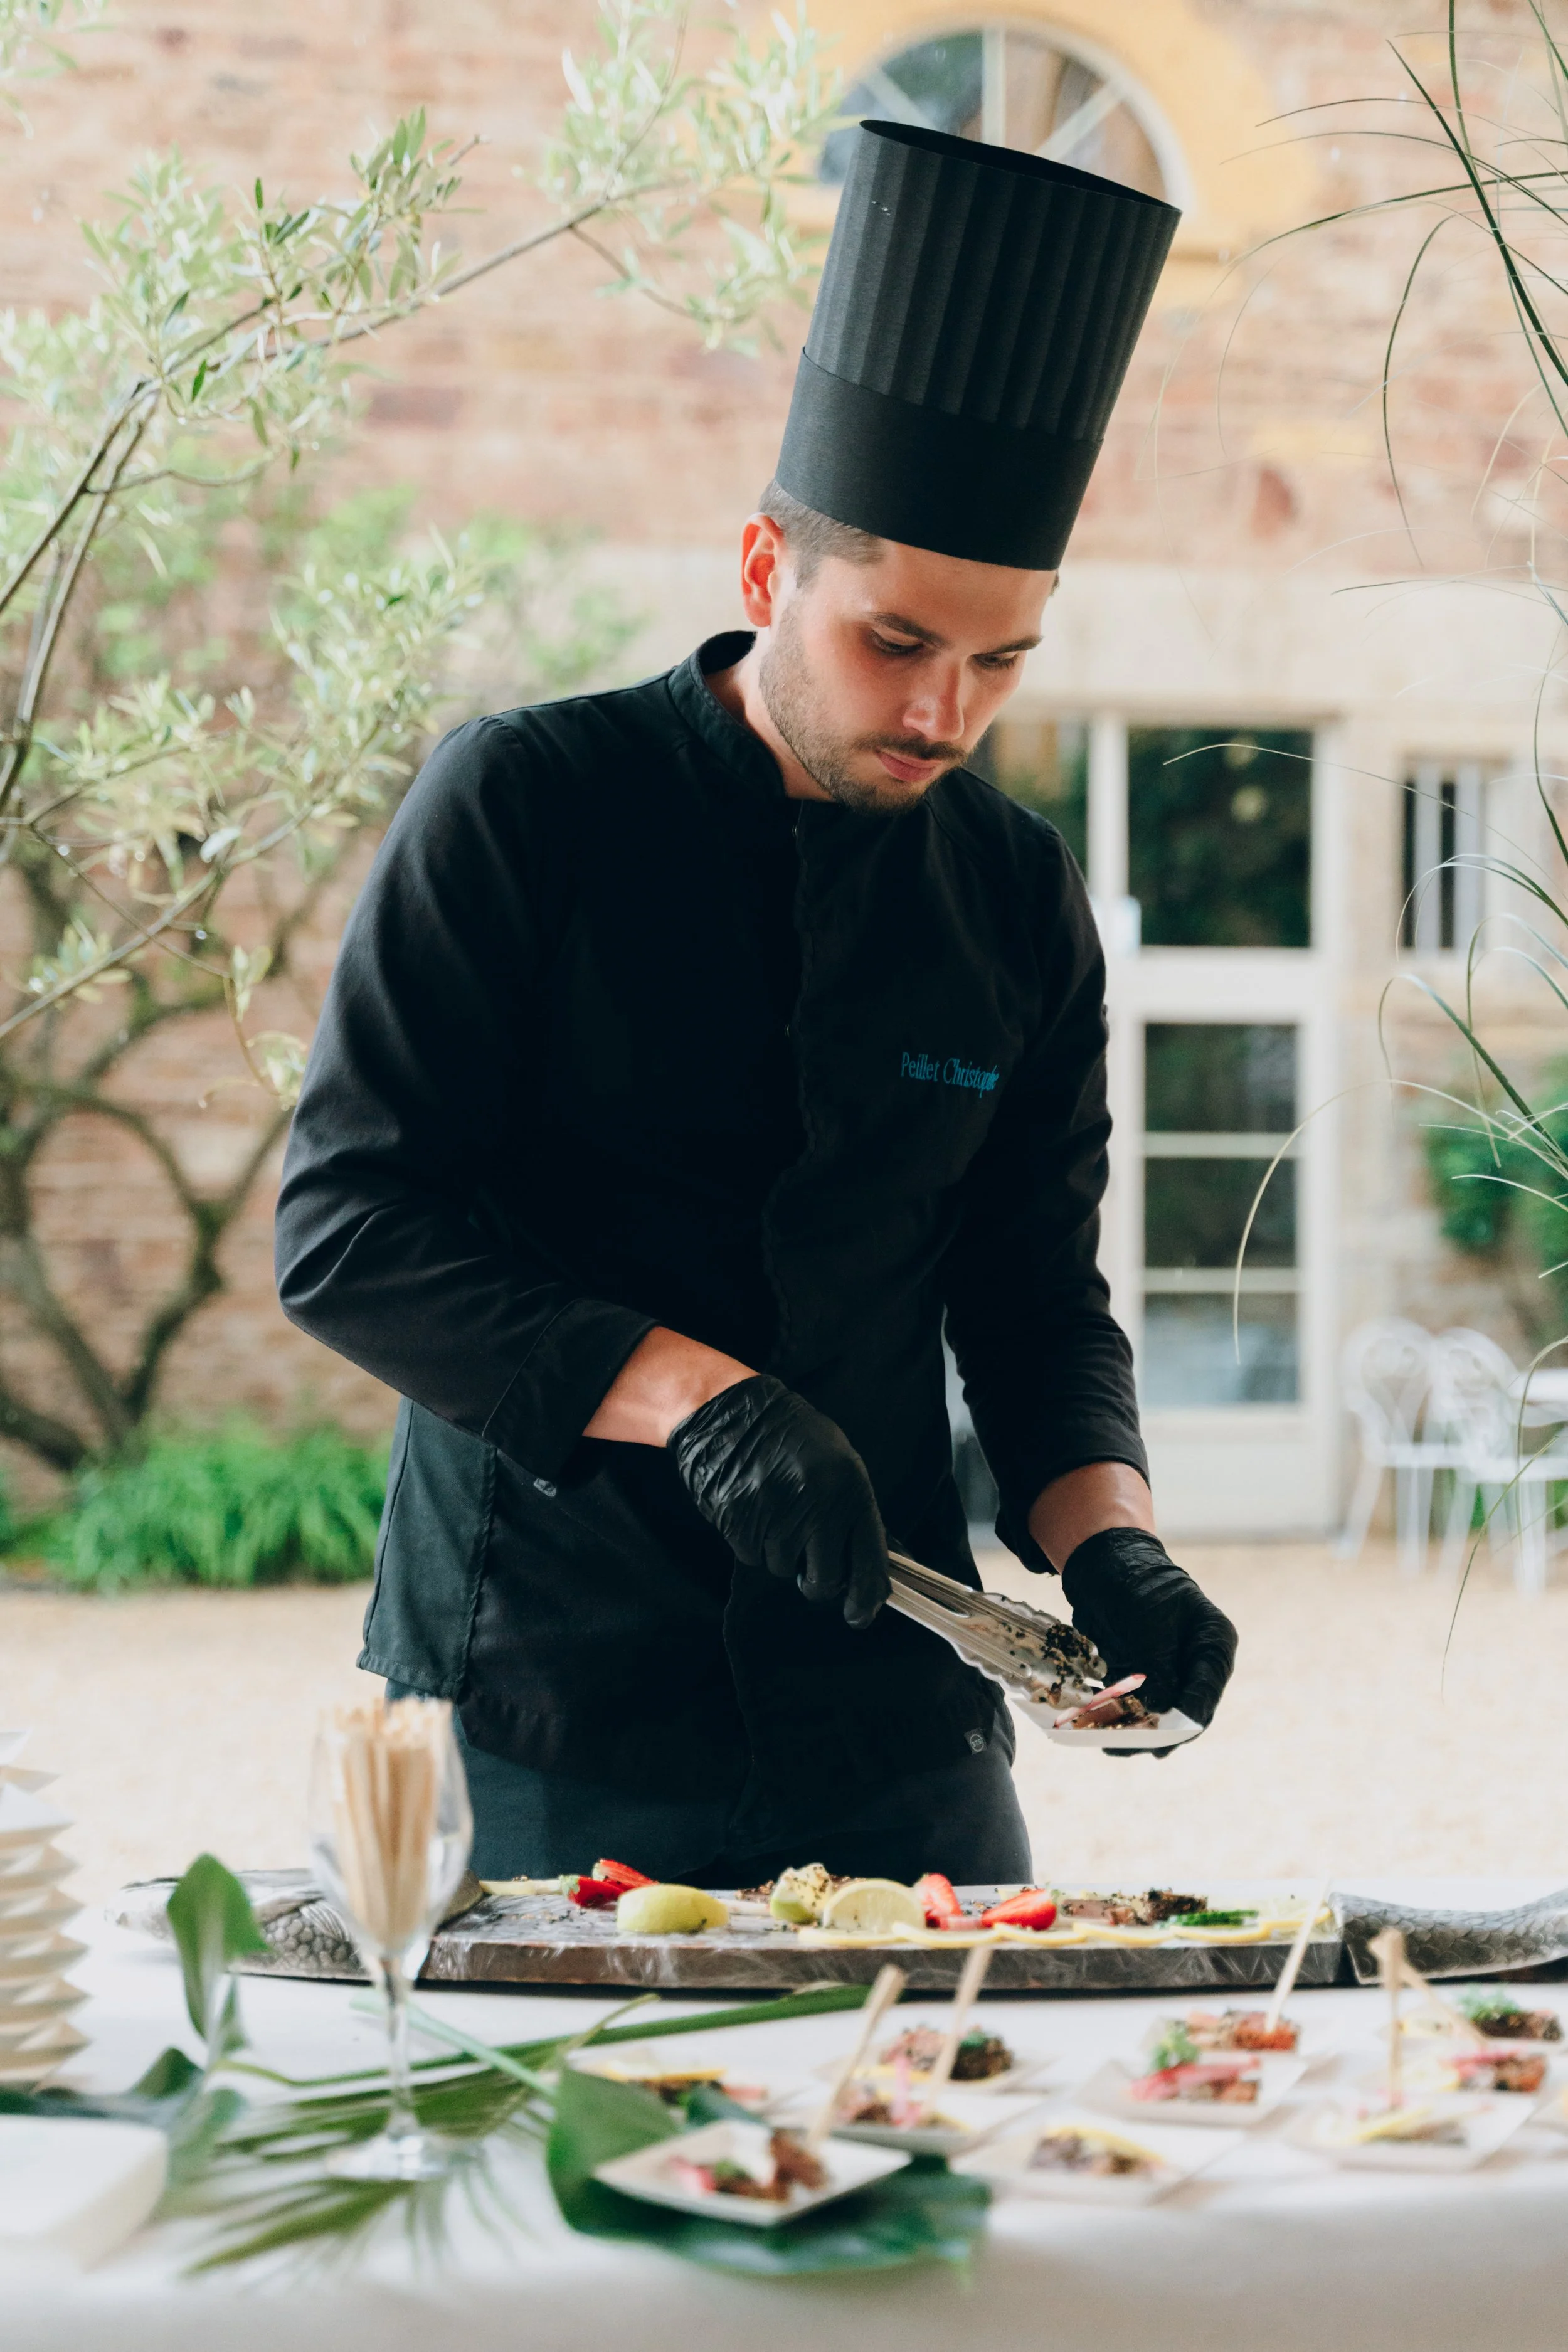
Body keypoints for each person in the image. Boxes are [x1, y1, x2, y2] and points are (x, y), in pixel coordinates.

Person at [275, 120, 1237, 1886]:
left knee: (960, 2143)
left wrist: (1114, 1548)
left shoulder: (1014, 894)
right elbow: (346, 1231)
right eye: (895, 642)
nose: (947, 712)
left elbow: (1031, 1304)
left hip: (896, 1727)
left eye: (1001, 660)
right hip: (540, 1705)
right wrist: (694, 1395)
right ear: (759, 571)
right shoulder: (525, 805)